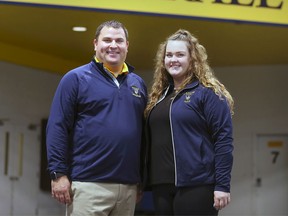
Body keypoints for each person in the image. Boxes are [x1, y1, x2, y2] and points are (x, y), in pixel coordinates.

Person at [46, 20, 147, 216]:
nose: (113, 45)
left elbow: (142, 135)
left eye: (119, 40)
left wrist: (140, 179)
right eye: (107, 40)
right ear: (95, 44)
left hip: (128, 187)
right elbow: (57, 127)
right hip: (88, 184)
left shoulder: (138, 84)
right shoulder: (75, 78)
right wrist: (58, 174)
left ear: (127, 45)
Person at [144, 29, 234, 216]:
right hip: (161, 185)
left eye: (180, 55)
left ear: (192, 59)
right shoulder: (159, 97)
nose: (173, 59)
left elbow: (223, 140)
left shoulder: (208, 93)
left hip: (197, 184)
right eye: (169, 55)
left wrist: (222, 185)